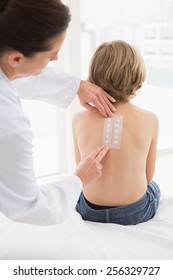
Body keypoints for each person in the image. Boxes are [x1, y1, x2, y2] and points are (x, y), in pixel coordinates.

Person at [0, 0, 116, 225]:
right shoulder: (9, 126)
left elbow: (14, 77)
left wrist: (77, 86)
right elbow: (30, 207)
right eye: (51, 55)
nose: (56, 60)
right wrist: (79, 179)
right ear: (16, 58)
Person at [74, 40, 160, 225]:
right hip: (134, 212)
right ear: (137, 76)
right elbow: (147, 177)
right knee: (154, 187)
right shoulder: (149, 119)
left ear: (93, 76)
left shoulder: (78, 119)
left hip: (90, 211)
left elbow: (81, 170)